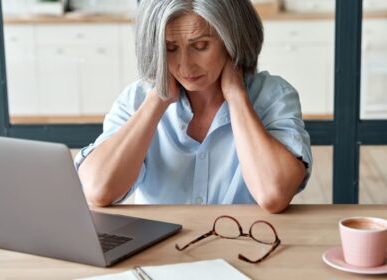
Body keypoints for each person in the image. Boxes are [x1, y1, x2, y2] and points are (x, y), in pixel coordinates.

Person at [75, 0, 312, 213]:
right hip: (162, 254)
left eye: (200, 46)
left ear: (233, 41)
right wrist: (158, 99)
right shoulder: (136, 100)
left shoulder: (273, 96)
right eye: (170, 48)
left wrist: (237, 96)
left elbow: (274, 195)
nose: (185, 66)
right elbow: (98, 190)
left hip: (247, 249)